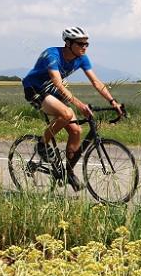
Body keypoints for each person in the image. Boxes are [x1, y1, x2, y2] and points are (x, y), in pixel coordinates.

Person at [21, 26, 122, 191]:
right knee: (67, 113)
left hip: (52, 91)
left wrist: (113, 102)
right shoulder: (52, 54)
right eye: (80, 43)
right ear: (68, 43)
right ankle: (41, 144)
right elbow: (58, 83)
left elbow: (96, 82)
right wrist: (79, 104)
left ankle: (68, 172)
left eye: (86, 44)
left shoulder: (82, 58)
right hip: (35, 88)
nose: (84, 47)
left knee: (76, 131)